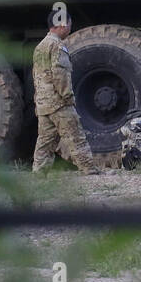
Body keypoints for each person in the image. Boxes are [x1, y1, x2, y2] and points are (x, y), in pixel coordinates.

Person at [32, 17, 103, 173]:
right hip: (59, 103)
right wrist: (67, 96)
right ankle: (89, 169)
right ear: (62, 25)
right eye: (70, 25)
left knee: (45, 141)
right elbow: (60, 74)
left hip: (44, 104)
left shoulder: (40, 46)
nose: (70, 28)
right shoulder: (57, 46)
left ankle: (39, 172)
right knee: (76, 136)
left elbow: (37, 76)